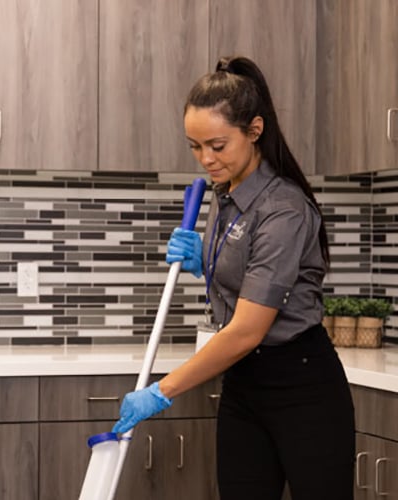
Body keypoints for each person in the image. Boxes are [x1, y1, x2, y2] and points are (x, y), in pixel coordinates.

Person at [112, 56, 355, 500]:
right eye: (195, 145)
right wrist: (203, 266)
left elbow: (246, 330)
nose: (206, 159)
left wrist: (161, 391)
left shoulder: (284, 208)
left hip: (302, 388)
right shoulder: (223, 196)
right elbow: (246, 279)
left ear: (254, 130)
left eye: (218, 145)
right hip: (244, 386)